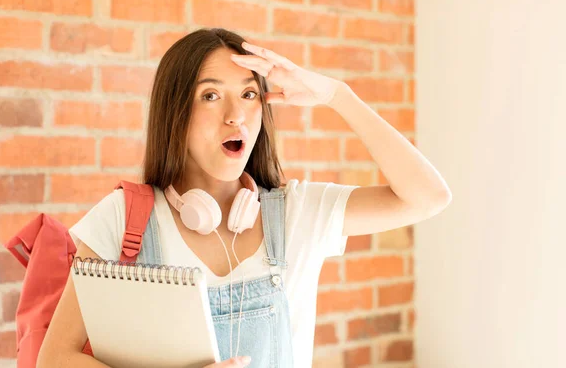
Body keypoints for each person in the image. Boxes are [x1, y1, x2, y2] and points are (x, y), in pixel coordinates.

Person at [37, 28, 452, 368]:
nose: (235, 114)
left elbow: (428, 197)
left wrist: (337, 95)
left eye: (249, 94)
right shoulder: (124, 219)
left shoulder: (298, 213)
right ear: (175, 112)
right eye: (211, 95)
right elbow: (54, 359)